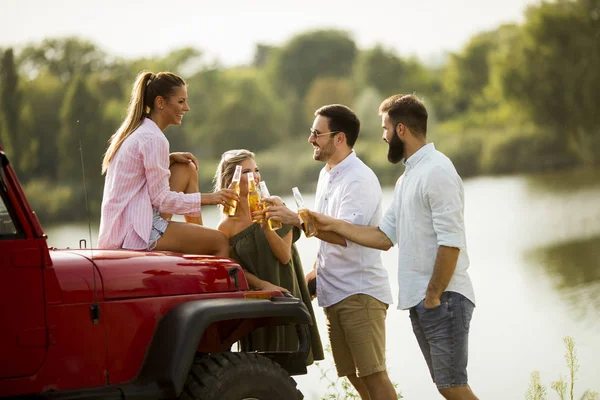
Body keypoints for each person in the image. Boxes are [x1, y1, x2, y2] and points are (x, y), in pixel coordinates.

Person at [308, 95, 478, 400]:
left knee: (452, 385)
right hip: (422, 300)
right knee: (447, 385)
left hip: (444, 299)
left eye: (385, 128)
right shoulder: (408, 178)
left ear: (401, 129)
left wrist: (434, 295)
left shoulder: (437, 170)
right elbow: (383, 237)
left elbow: (451, 242)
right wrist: (326, 223)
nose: (383, 135)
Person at [264, 105, 396, 400]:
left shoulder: (359, 179)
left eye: (316, 133)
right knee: (353, 374)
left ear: (339, 138)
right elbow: (324, 236)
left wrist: (294, 219)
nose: (311, 139)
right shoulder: (328, 174)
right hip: (334, 291)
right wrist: (313, 275)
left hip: (359, 293)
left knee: (374, 375)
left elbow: (345, 236)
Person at [98, 71, 238, 255]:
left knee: (186, 168)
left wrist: (169, 158)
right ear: (160, 103)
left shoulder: (140, 131)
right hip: (134, 232)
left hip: (123, 224)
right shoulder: (154, 139)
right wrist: (211, 198)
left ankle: (200, 243)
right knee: (220, 241)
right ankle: (208, 267)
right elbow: (162, 200)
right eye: (181, 101)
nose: (186, 108)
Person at [214, 149, 324, 364]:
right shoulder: (225, 227)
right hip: (259, 302)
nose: (255, 176)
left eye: (256, 170)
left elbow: (284, 256)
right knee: (261, 369)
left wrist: (266, 227)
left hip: (285, 293)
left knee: (289, 366)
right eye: (246, 172)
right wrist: (262, 285)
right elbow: (234, 269)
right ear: (231, 179)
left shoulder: (275, 207)